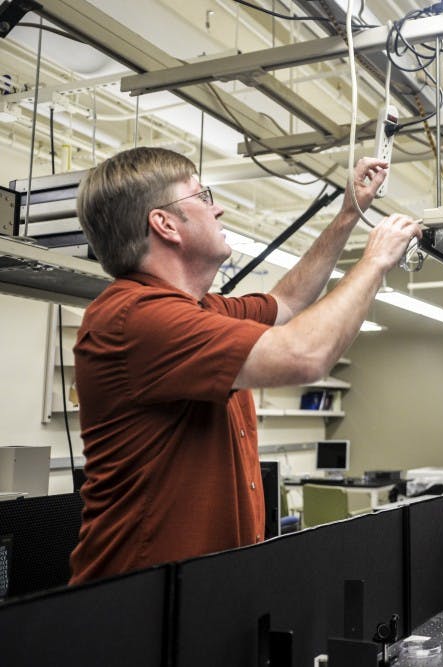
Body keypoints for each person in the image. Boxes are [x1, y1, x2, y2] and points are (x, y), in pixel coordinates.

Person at [68, 146, 421, 584]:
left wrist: (348, 213)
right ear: (164, 224)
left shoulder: (200, 311)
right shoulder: (137, 318)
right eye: (201, 196)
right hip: (137, 604)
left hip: (198, 590)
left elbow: (289, 301)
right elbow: (305, 355)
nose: (218, 208)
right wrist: (375, 261)